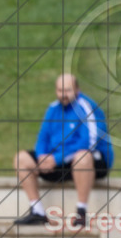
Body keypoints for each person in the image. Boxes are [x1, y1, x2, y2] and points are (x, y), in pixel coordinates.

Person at [13, 74, 113, 228]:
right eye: (60, 90)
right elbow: (42, 138)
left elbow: (88, 143)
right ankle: (38, 211)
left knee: (82, 156)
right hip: (58, 162)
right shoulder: (52, 109)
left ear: (77, 90)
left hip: (93, 161)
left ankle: (81, 212)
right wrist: (41, 157)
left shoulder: (87, 107)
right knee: (21, 158)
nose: (63, 95)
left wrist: (57, 159)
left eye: (67, 90)